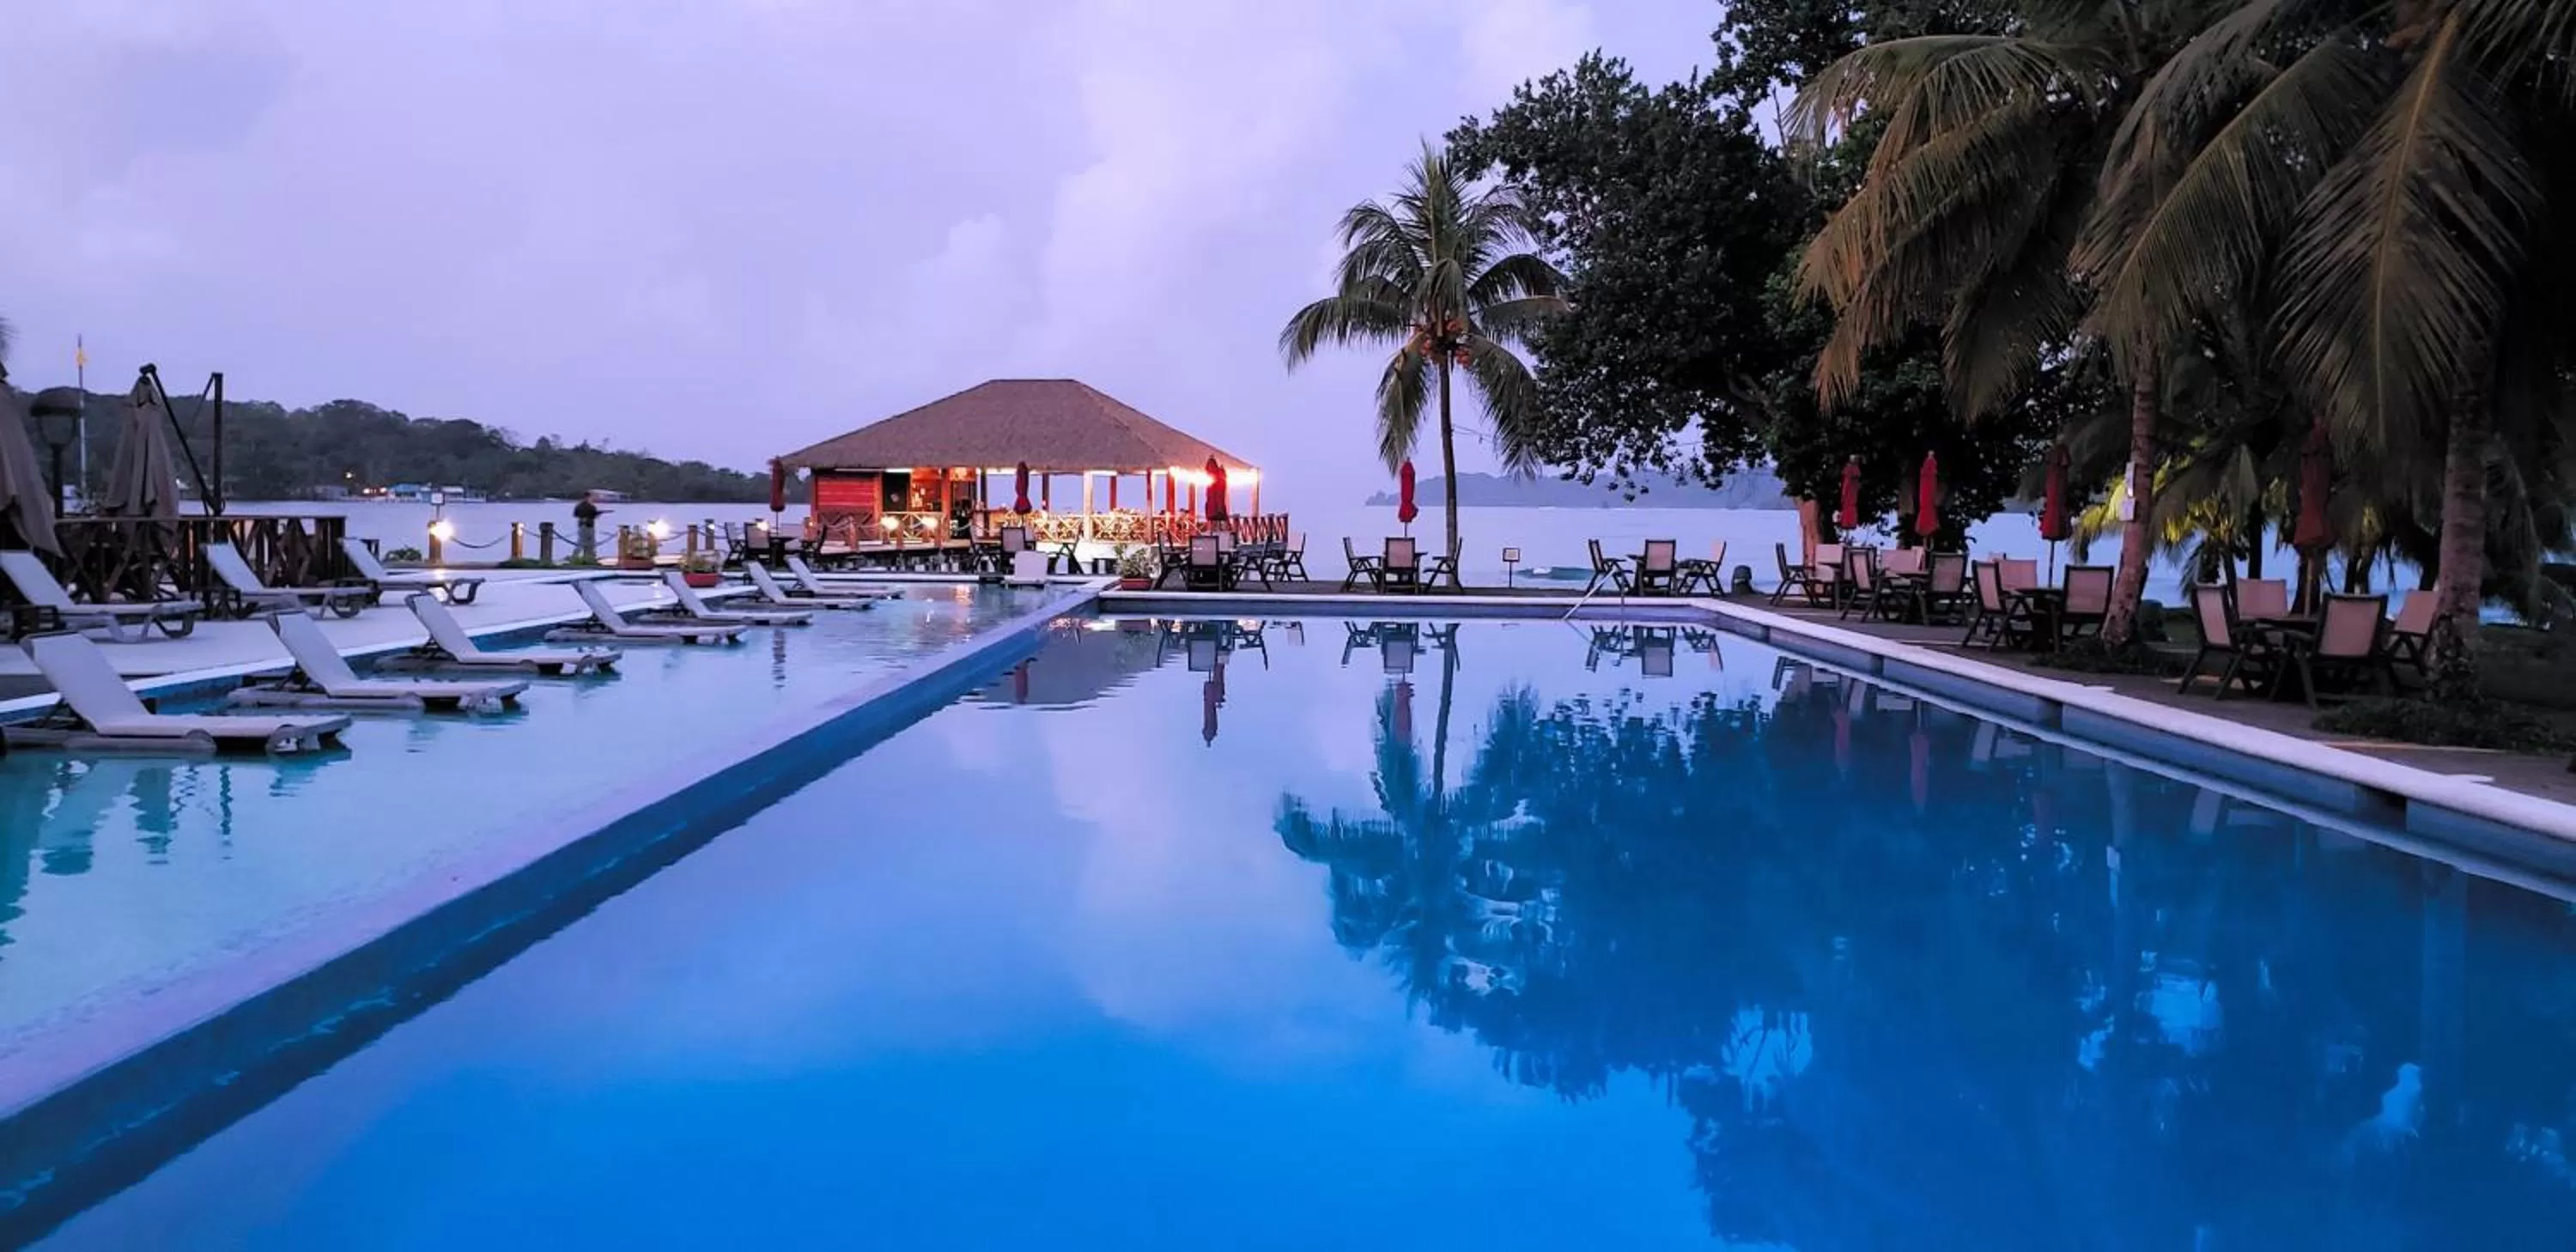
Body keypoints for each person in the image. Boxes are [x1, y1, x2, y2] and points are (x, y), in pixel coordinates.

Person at [574, 491, 607, 562]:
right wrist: (597, 514)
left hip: (581, 526)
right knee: (590, 543)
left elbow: (575, 515)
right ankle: (590, 558)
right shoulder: (591, 507)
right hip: (589, 526)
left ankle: (577, 557)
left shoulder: (578, 506)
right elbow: (594, 515)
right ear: (588, 497)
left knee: (581, 542)